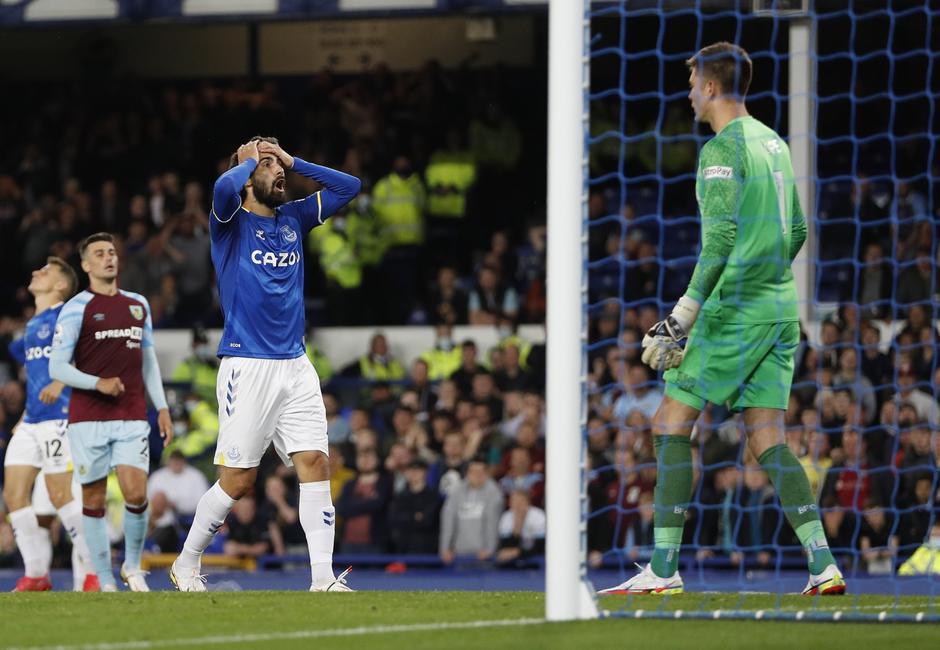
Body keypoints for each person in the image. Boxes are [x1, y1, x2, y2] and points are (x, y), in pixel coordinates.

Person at [599, 43, 844, 596]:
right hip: (782, 311)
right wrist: (769, 281)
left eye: (691, 82)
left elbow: (721, 242)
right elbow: (799, 230)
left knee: (668, 423)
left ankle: (663, 570)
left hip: (734, 309)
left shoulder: (721, 149)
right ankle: (822, 563)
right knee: (767, 437)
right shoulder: (773, 141)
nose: (688, 93)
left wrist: (681, 317)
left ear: (710, 87)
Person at [170, 137, 360, 592]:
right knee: (238, 481)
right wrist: (248, 159)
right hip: (247, 365)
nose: (279, 173)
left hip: (295, 364)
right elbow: (221, 187)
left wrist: (293, 161)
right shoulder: (229, 223)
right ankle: (187, 561)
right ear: (248, 174)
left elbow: (348, 187)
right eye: (269, 166)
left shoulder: (293, 217)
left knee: (315, 461)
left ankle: (322, 580)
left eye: (280, 165)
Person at [50, 234, 174, 592]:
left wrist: (162, 406)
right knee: (93, 498)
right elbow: (58, 367)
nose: (109, 258)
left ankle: (132, 567)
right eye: (99, 254)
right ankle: (104, 579)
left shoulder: (138, 305)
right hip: (88, 418)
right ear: (86, 265)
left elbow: (147, 359)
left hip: (132, 413)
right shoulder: (75, 308)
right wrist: (97, 383)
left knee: (136, 494)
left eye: (112, 253)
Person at [3, 257, 96, 592]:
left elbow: (91, 357)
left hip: (61, 416)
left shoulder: (67, 316)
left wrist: (63, 379)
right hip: (31, 420)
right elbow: (32, 369)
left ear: (59, 285)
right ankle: (37, 573)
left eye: (45, 272)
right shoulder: (33, 325)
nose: (34, 273)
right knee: (14, 494)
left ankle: (94, 569)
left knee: (60, 495)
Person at [148, 450, 210, 552]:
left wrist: (177, 505)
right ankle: (153, 545)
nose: (176, 464)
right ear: (168, 462)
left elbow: (203, 502)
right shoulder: (158, 477)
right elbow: (149, 500)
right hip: (162, 517)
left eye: (178, 461)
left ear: (184, 462)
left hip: (189, 517)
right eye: (174, 461)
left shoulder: (196, 476)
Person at [171, 327, 219, 409]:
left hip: (216, 407)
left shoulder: (215, 366)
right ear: (193, 345)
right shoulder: (186, 366)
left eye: (205, 343)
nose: (203, 346)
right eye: (199, 343)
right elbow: (176, 391)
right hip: (196, 410)